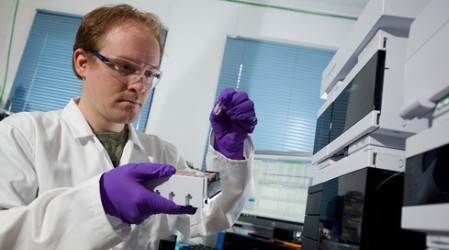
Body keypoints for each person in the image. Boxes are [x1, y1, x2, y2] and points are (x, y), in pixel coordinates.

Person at [0, 4, 257, 249]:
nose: (139, 85)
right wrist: (101, 202)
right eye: (124, 67)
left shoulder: (162, 153)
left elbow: (210, 217)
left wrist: (230, 156)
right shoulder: (21, 135)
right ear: (82, 62)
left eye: (149, 73)